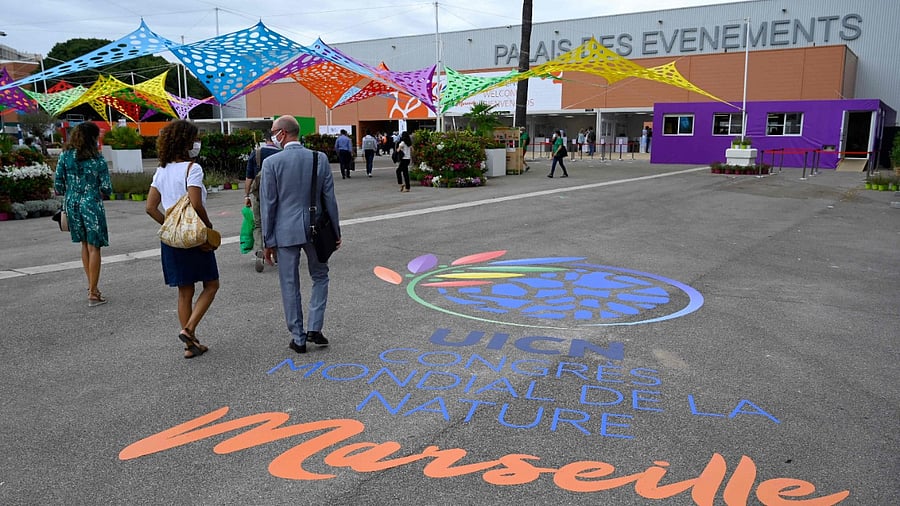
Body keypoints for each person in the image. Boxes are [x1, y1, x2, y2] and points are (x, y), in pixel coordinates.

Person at [260, 115, 342, 354]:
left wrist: (268, 240)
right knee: (320, 276)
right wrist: (336, 230)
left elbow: (269, 205)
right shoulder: (319, 158)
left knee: (289, 282)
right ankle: (315, 327)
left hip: (284, 231)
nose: (271, 136)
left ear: (282, 134)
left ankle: (298, 337)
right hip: (315, 229)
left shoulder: (271, 164)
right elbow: (330, 198)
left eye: (273, 131)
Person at [145, 119, 219, 359]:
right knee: (211, 284)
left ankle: (190, 346)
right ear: (186, 142)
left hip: (171, 241)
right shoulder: (192, 169)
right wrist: (207, 227)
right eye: (195, 139)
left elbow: (150, 207)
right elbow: (196, 203)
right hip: (194, 238)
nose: (197, 143)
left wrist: (170, 225)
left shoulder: (161, 170)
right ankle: (188, 330)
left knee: (184, 291)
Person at [54, 122, 112, 307]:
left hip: (72, 203)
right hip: (91, 204)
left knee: (84, 244)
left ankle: (91, 287)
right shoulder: (97, 160)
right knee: (95, 247)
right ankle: (93, 292)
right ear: (93, 138)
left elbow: (58, 185)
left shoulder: (65, 156)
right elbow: (107, 187)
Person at [244, 135, 280, 272]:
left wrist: (246, 196)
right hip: (277, 196)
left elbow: (249, 178)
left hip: (259, 195)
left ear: (265, 141)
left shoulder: (256, 153)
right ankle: (276, 253)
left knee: (258, 224)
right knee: (275, 222)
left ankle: (259, 249)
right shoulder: (280, 154)